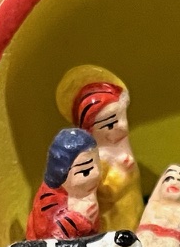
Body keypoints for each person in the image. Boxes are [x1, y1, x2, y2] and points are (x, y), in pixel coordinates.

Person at [57, 65, 142, 231]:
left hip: (133, 202)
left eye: (123, 117)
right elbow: (107, 192)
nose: (123, 126)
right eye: (110, 124)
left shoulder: (119, 143)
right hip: (114, 217)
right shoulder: (95, 158)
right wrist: (123, 173)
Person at [26, 128, 103, 240]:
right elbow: (48, 234)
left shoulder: (86, 190)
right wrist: (80, 219)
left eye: (98, 163)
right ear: (62, 173)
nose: (96, 173)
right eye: (85, 171)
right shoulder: (49, 199)